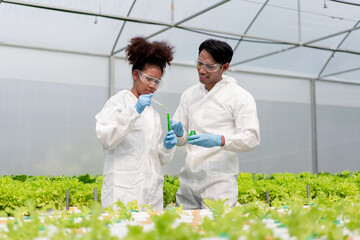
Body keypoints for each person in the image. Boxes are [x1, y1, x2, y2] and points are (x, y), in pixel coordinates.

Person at [171, 39, 260, 209]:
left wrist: (220, 140)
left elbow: (252, 138)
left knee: (215, 233)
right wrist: (177, 133)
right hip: (188, 181)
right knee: (184, 231)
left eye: (210, 67)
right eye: (199, 63)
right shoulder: (189, 95)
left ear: (224, 67)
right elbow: (182, 138)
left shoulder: (239, 96)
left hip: (218, 182)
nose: (202, 70)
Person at [95, 37, 177, 211]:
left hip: (151, 192)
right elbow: (106, 139)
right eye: (149, 79)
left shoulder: (153, 114)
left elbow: (156, 158)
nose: (153, 85)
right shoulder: (119, 102)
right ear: (135, 74)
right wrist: (133, 113)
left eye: (157, 82)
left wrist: (167, 147)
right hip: (123, 192)